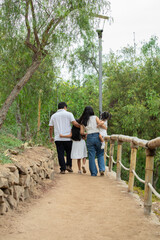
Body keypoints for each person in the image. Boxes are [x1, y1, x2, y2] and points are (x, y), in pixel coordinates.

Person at [49, 102, 80, 174]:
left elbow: (51, 127)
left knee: (60, 153)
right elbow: (75, 124)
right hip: (68, 138)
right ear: (65, 107)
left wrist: (51, 137)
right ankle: (69, 166)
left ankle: (62, 169)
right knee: (69, 152)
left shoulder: (53, 116)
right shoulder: (69, 114)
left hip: (58, 138)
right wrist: (82, 127)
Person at [79, 106, 106, 176]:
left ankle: (94, 173)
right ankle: (102, 169)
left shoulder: (82, 121)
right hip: (97, 136)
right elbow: (100, 124)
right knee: (100, 153)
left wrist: (87, 132)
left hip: (89, 137)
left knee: (91, 155)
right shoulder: (95, 117)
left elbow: (81, 132)